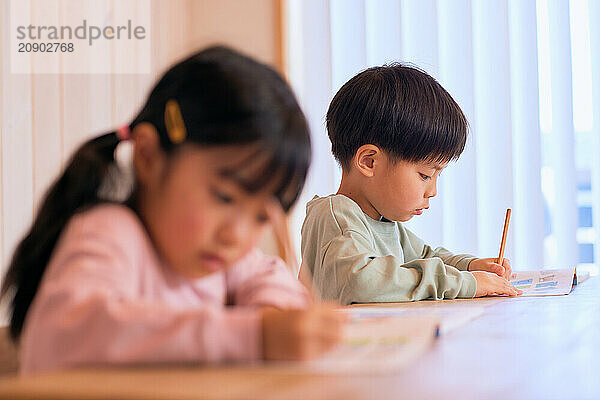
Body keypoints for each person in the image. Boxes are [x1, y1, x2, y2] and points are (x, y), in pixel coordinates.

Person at [1, 46, 345, 374]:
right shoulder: (111, 232)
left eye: (260, 218)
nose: (236, 236)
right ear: (148, 157)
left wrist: (274, 315)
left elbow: (267, 274)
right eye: (224, 197)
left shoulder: (220, 258)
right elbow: (65, 335)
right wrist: (253, 335)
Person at [300, 64, 522, 305]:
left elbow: (427, 256)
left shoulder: (383, 221)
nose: (433, 191)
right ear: (369, 162)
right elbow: (361, 281)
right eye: (425, 175)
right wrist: (466, 283)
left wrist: (470, 266)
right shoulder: (336, 215)